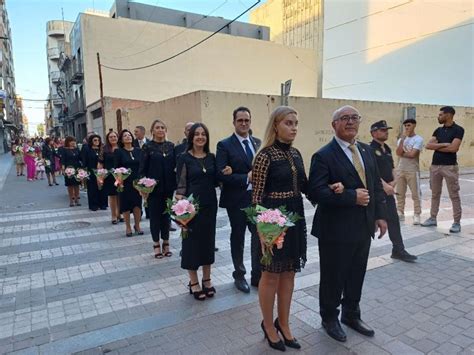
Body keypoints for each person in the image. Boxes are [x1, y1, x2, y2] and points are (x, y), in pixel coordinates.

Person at [308, 105, 387, 343]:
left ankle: (351, 314)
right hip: (335, 229)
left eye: (354, 118)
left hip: (363, 226)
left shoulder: (365, 150)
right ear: (334, 125)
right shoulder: (323, 155)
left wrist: (381, 215)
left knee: (356, 273)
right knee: (333, 276)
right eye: (344, 118)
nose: (350, 122)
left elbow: (375, 185)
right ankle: (329, 317)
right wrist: (351, 196)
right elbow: (316, 192)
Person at [252, 106, 308, 351]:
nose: (294, 127)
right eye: (288, 123)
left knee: (289, 273)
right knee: (271, 275)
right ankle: (268, 325)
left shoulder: (296, 154)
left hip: (294, 217)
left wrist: (333, 191)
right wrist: (262, 229)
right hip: (272, 219)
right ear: (276, 125)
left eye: (296, 123)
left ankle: (284, 323)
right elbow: (256, 197)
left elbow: (305, 185)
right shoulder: (265, 155)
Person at [216, 106, 261, 293]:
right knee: (238, 236)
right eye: (240, 120)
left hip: (258, 199)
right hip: (237, 200)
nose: (243, 123)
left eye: (247, 120)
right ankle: (239, 274)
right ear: (234, 122)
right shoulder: (224, 145)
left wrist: (237, 171)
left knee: (259, 236)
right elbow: (222, 174)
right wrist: (245, 177)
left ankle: (257, 274)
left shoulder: (259, 143)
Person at [176, 123, 219, 301]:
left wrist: (228, 171)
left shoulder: (212, 157)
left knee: (208, 242)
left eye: (203, 134)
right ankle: (193, 282)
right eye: (197, 134)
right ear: (191, 137)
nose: (200, 137)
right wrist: (180, 212)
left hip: (210, 205)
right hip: (191, 208)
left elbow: (217, 180)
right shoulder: (184, 158)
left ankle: (207, 279)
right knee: (192, 244)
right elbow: (181, 185)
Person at [370, 120, 417, 262]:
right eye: (383, 130)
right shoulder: (369, 150)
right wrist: (384, 185)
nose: (386, 132)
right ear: (373, 132)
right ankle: (356, 253)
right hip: (376, 192)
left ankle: (398, 250)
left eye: (386, 130)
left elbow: (392, 168)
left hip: (389, 191)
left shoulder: (388, 149)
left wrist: (394, 182)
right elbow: (371, 172)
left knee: (393, 221)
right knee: (369, 224)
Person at [422, 106, 464, 233]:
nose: (438, 117)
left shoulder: (458, 130)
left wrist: (438, 147)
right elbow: (428, 145)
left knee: (454, 195)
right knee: (435, 194)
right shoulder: (438, 130)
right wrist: (443, 144)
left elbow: (453, 148)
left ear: (449, 115)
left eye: (441, 115)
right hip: (435, 166)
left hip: (450, 166)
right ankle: (432, 218)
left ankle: (456, 222)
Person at [139, 120, 176, 258]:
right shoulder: (147, 147)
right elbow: (142, 169)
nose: (160, 130)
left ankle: (166, 242)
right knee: (155, 217)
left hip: (168, 188)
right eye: (157, 127)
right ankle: (156, 244)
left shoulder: (171, 146)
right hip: (153, 188)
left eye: (162, 127)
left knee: (166, 216)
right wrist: (143, 187)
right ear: (152, 131)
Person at [395, 118, 423, 224]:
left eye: (409, 125)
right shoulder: (402, 139)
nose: (407, 127)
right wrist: (402, 140)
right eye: (405, 126)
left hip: (412, 170)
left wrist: (402, 153)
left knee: (415, 194)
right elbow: (398, 152)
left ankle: (417, 214)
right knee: (400, 193)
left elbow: (412, 155)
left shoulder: (418, 139)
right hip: (401, 169)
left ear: (414, 126)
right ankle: (400, 212)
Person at [115, 129, 143, 237]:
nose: (128, 137)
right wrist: (119, 179)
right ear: (121, 139)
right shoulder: (119, 152)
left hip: (137, 181)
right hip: (124, 182)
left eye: (129, 135)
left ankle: (137, 225)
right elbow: (116, 167)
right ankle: (128, 227)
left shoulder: (138, 150)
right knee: (125, 205)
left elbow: (142, 166)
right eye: (125, 136)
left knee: (137, 204)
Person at [99, 131, 123, 224]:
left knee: (120, 196)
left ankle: (119, 214)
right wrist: (100, 175)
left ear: (117, 138)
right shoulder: (104, 149)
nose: (113, 138)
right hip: (109, 176)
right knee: (112, 196)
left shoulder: (121, 148)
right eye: (111, 137)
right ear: (108, 139)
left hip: (121, 175)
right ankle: (113, 215)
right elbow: (100, 162)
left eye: (115, 136)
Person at [82, 134, 108, 211]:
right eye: (95, 140)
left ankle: (103, 204)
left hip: (101, 171)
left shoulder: (102, 149)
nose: (97, 142)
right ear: (91, 141)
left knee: (102, 188)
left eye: (98, 140)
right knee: (92, 189)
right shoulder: (88, 149)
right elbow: (85, 160)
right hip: (91, 171)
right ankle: (94, 205)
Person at [62, 136, 82, 207]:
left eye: (74, 141)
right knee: (70, 185)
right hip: (69, 168)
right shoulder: (64, 150)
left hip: (77, 168)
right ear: (67, 142)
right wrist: (63, 169)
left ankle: (77, 199)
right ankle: (71, 200)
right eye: (71, 141)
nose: (73, 142)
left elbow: (81, 158)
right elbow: (63, 160)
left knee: (77, 184)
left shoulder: (77, 149)